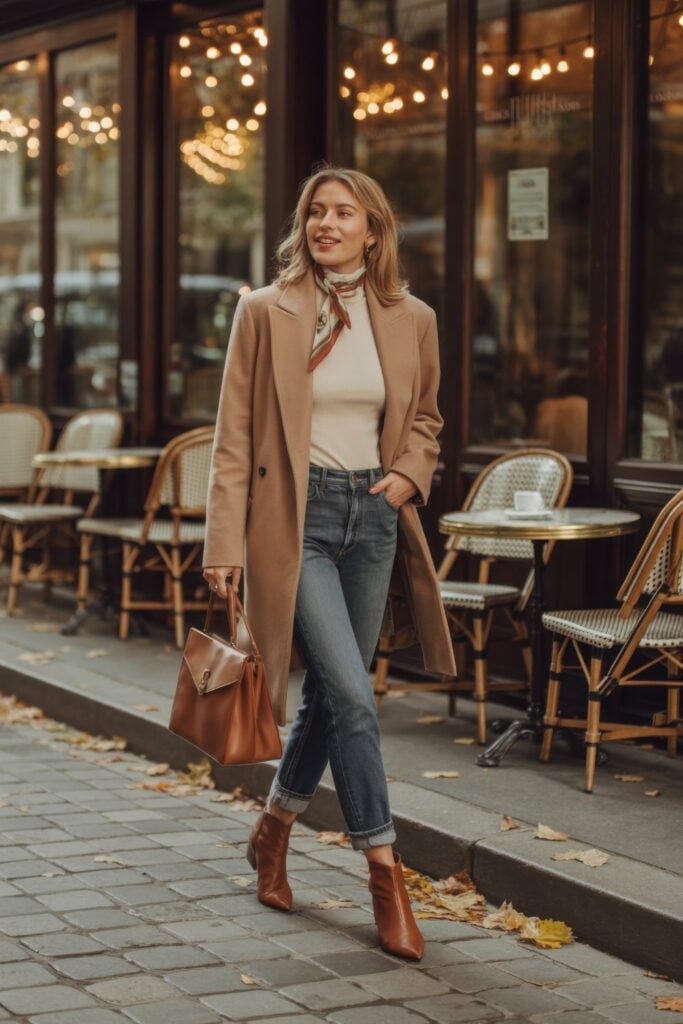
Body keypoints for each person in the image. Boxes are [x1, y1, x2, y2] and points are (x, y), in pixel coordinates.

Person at [202, 165, 456, 961]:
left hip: (373, 517)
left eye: (343, 213)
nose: (326, 223)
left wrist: (408, 476)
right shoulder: (263, 312)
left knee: (335, 693)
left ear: (372, 230)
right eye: (316, 211)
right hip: (296, 523)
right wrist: (223, 542)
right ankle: (385, 870)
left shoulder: (411, 316)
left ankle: (272, 832)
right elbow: (234, 435)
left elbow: (425, 418)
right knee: (351, 694)